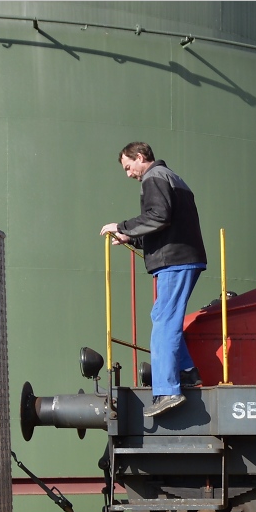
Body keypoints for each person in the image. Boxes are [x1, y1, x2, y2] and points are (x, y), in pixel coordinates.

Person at [100, 142, 207, 418]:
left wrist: (120, 226)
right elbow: (167, 223)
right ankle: (187, 372)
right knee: (162, 315)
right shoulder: (173, 178)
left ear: (139, 157)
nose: (128, 174)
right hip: (181, 256)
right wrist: (132, 237)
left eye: (128, 167)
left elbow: (158, 216)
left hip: (175, 261)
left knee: (163, 324)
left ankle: (168, 390)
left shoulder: (154, 178)